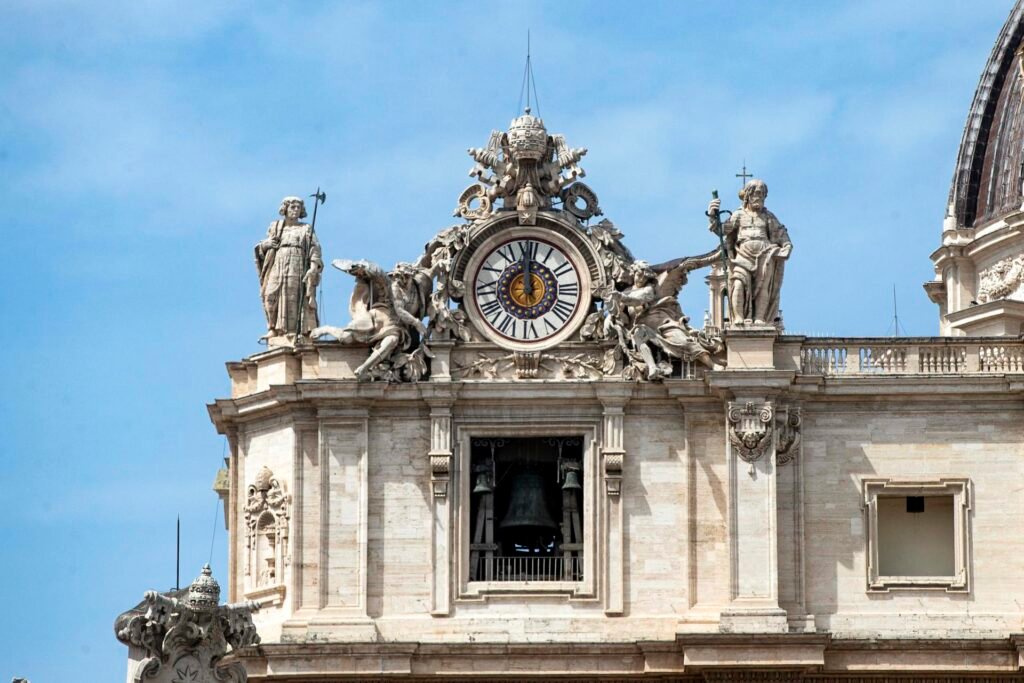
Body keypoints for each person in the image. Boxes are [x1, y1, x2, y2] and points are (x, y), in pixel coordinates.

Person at [708, 179, 792, 326]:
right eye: (756, 194)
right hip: (742, 255)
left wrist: (787, 246)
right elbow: (722, 230)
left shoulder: (768, 216)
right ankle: (738, 318)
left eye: (762, 194)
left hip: (765, 255)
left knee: (763, 287)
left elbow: (781, 234)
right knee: (738, 283)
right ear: (748, 195)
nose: (759, 197)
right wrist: (713, 216)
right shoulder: (739, 215)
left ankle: (760, 318)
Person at [254, 196, 323, 341]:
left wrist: (313, 268)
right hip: (278, 261)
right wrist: (266, 245)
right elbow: (261, 248)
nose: (296, 210)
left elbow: (314, 249)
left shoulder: (306, 228)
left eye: (298, 207)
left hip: (297, 262)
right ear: (285, 209)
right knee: (269, 294)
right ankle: (272, 327)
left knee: (293, 296)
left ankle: (293, 332)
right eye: (292, 207)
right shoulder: (276, 226)